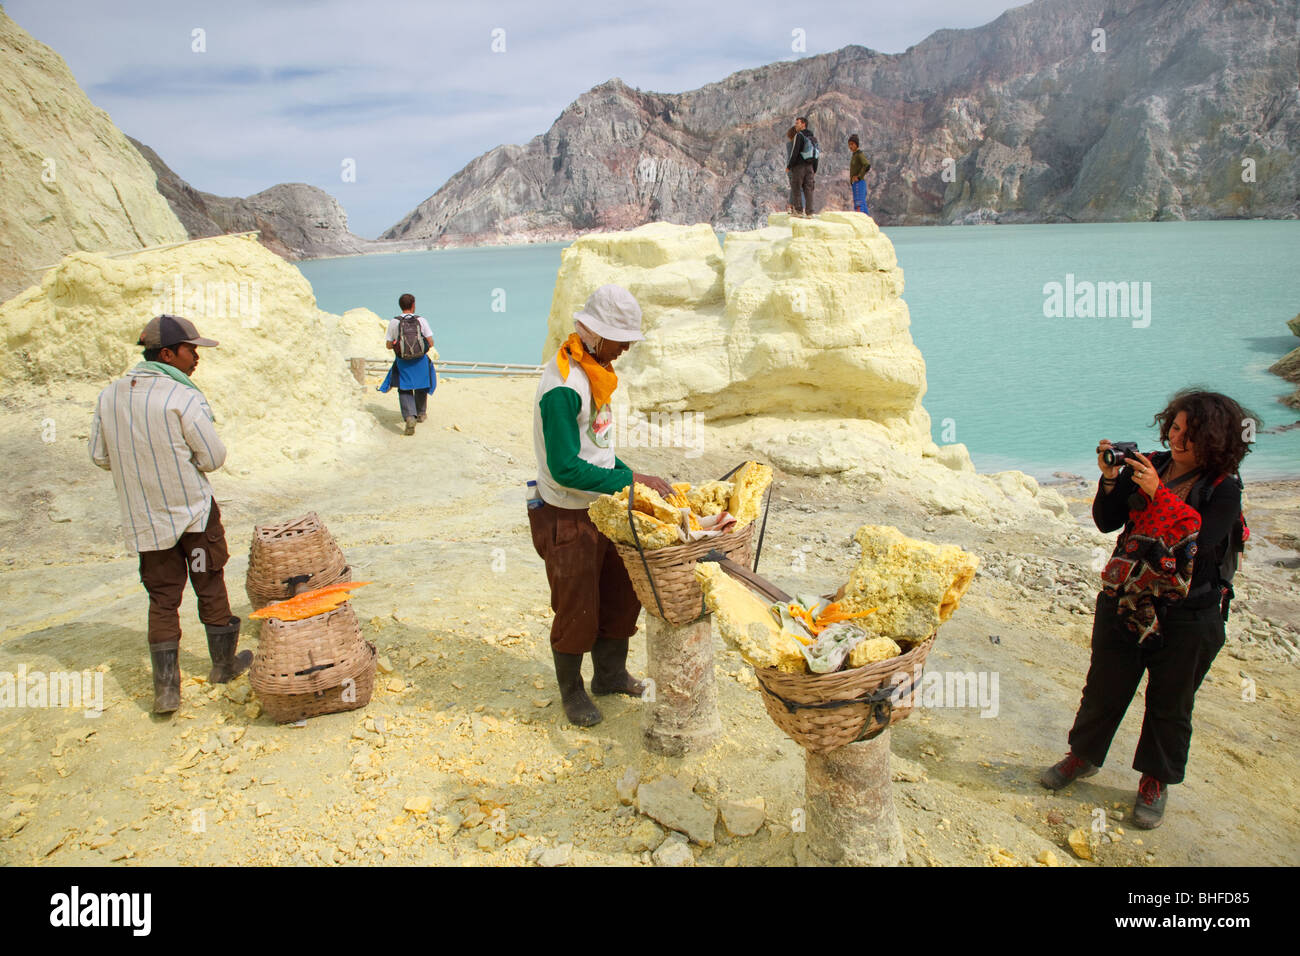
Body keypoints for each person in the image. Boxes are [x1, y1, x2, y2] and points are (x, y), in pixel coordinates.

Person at [1041, 390, 1257, 829]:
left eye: (1190, 435)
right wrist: (1108, 480)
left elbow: (1200, 541)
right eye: (1175, 428)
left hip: (1189, 611)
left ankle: (1154, 782)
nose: (1178, 439)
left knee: (1171, 701)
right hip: (1127, 596)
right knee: (1104, 684)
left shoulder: (1223, 488)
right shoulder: (1151, 465)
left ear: (1214, 441)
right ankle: (1082, 757)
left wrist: (1159, 495)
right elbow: (1107, 521)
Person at [90, 315, 251, 714]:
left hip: (146, 518)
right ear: (167, 354)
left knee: (162, 597)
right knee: (209, 582)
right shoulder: (183, 397)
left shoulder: (109, 396)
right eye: (190, 349)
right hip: (193, 515)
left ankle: (166, 690)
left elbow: (98, 455)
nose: (196, 356)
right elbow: (212, 458)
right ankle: (223, 665)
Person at [529, 284, 674, 727]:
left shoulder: (595, 371)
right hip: (569, 511)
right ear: (594, 333)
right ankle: (571, 691)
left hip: (604, 506)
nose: (627, 347)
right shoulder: (563, 386)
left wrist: (633, 475)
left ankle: (609, 674)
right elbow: (565, 469)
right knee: (577, 602)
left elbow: (599, 452)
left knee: (621, 588)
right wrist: (630, 480)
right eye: (621, 338)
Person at [379, 292, 437, 435]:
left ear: (400, 306)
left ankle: (410, 416)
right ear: (413, 305)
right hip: (420, 360)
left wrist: (397, 345)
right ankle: (421, 414)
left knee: (404, 388)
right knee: (421, 385)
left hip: (403, 361)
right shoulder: (421, 320)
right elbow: (431, 342)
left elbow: (388, 345)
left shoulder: (394, 322)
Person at [786, 116, 817, 217]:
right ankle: (810, 212)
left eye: (797, 123)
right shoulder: (813, 137)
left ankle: (798, 211)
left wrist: (789, 166)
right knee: (809, 189)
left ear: (803, 124)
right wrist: (814, 169)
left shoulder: (799, 136)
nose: (796, 125)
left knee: (796, 187)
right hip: (810, 166)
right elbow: (816, 154)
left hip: (799, 166)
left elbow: (795, 152)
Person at [848, 134, 871, 215]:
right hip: (856, 183)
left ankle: (860, 221)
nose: (850, 146)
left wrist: (859, 176)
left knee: (859, 203)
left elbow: (866, 164)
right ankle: (866, 222)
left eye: (852, 144)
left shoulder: (859, 154)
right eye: (849, 144)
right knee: (861, 203)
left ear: (856, 144)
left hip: (859, 182)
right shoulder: (854, 155)